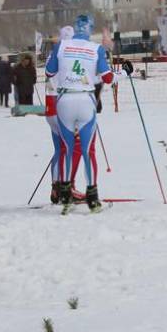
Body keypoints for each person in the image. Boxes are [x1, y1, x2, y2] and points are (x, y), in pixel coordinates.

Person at [45, 15, 114, 211]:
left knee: (66, 149)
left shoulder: (60, 46)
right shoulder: (96, 48)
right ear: (90, 29)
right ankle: (93, 198)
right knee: (88, 151)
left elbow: (49, 72)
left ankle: (65, 196)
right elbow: (107, 77)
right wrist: (123, 73)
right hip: (85, 100)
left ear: (75, 29)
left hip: (64, 100)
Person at [45, 26, 80, 204]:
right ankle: (64, 187)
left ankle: (56, 187)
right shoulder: (66, 56)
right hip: (60, 106)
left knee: (59, 149)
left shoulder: (53, 54)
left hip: (50, 106)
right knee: (69, 148)